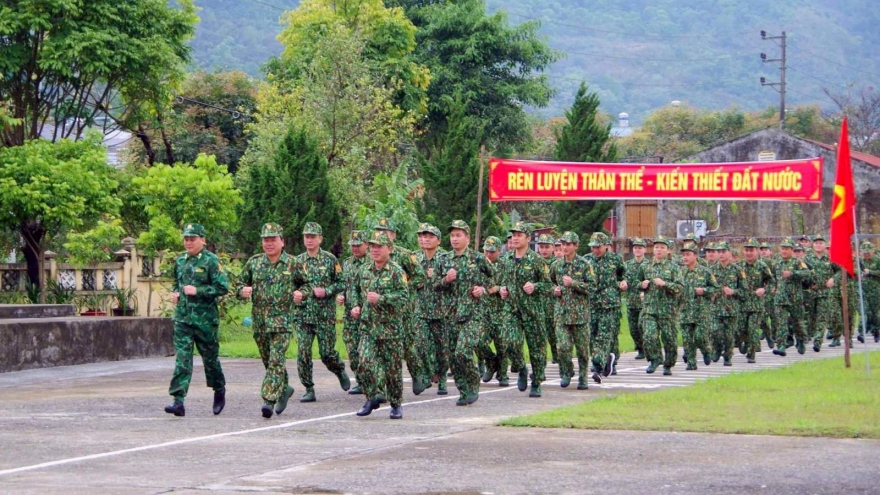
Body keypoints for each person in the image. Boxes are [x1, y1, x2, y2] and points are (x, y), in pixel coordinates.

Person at [236, 223, 310, 418]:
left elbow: (308, 285)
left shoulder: (292, 263)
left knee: (276, 361)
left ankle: (268, 400)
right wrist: (242, 291)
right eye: (265, 240)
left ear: (282, 242)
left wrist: (301, 293)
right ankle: (284, 388)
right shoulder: (254, 263)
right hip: (260, 322)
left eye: (273, 240)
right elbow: (238, 283)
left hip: (282, 322)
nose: (269, 243)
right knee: (268, 360)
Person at [165, 223, 229, 418]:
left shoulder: (211, 261)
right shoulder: (180, 261)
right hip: (183, 319)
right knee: (182, 360)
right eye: (186, 239)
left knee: (210, 360)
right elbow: (176, 282)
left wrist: (199, 291)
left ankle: (219, 389)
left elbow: (222, 287)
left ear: (203, 240)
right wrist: (175, 293)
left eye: (192, 239)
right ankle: (178, 401)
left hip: (205, 321)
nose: (189, 242)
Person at [351, 231, 409, 419]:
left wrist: (382, 299)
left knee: (392, 369)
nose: (375, 250)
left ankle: (396, 404)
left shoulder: (396, 272)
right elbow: (357, 291)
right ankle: (372, 396)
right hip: (368, 326)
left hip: (390, 328)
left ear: (389, 249)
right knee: (364, 362)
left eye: (379, 247)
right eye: (373, 247)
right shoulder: (365, 270)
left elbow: (404, 297)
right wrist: (356, 306)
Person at [373, 218, 431, 394]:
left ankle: (417, 373)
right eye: (378, 231)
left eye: (385, 232)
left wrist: (404, 288)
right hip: (381, 311)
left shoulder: (404, 254)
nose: (381, 235)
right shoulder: (374, 255)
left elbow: (420, 277)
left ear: (393, 235)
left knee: (407, 343)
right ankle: (380, 386)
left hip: (403, 308)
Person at [295, 222, 350, 402]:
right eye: (307, 237)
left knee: (326, 353)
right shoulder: (297, 262)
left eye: (313, 236)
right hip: (303, 315)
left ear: (320, 239)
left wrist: (327, 291)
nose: (309, 240)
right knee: (303, 352)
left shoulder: (330, 260)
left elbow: (342, 282)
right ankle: (309, 388)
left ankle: (339, 369)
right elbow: (290, 284)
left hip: (324, 315)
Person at [441, 220, 492, 405]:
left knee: (463, 351)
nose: (454, 239)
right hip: (451, 314)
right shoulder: (444, 259)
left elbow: (494, 277)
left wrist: (483, 289)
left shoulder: (478, 259)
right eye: (452, 235)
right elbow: (433, 286)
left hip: (473, 314)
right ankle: (463, 390)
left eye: (458, 235)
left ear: (467, 238)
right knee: (454, 356)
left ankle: (473, 383)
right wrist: (445, 280)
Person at [499, 221, 551, 397]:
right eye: (513, 235)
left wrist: (535, 286)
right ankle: (521, 367)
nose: (515, 238)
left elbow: (548, 286)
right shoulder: (505, 259)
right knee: (508, 342)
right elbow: (501, 281)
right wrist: (502, 289)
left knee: (537, 349)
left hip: (532, 311)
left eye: (519, 235)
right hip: (511, 309)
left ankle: (536, 382)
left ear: (528, 238)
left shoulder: (537, 260)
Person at [550, 232, 596, 389]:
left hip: (580, 315)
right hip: (561, 314)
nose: (565, 247)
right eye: (563, 244)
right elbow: (547, 283)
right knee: (562, 347)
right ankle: (566, 371)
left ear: (576, 246)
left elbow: (592, 287)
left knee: (583, 350)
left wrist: (574, 283)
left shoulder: (584, 264)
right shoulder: (556, 265)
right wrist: (554, 289)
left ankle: (583, 377)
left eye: (568, 244)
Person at [415, 223, 453, 394]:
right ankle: (428, 373)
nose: (425, 240)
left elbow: (450, 282)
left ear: (438, 240)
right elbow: (406, 279)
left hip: (442, 310)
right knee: (421, 344)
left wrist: (441, 280)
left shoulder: (445, 258)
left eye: (429, 237)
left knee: (442, 348)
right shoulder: (414, 259)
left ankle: (443, 378)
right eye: (422, 236)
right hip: (420, 310)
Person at [637, 236, 681, 375]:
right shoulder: (646, 266)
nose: (659, 250)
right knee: (649, 336)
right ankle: (655, 359)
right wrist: (642, 285)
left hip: (667, 310)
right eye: (656, 247)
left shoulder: (673, 268)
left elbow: (680, 288)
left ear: (667, 250)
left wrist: (665, 284)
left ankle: (668, 364)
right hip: (650, 309)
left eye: (662, 247)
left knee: (670, 340)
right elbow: (637, 283)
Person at [585, 232, 626, 383]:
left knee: (604, 335)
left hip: (609, 304)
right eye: (593, 247)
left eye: (598, 247)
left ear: (606, 245)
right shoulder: (586, 260)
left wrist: (623, 283)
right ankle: (604, 358)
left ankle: (599, 366)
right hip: (591, 304)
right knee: (592, 336)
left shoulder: (615, 259)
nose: (595, 250)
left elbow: (623, 275)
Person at [337, 230, 370, 395]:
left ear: (367, 245)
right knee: (352, 350)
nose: (355, 249)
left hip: (367, 315)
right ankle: (361, 381)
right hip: (350, 314)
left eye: (359, 245)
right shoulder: (347, 263)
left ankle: (372, 383)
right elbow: (344, 284)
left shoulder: (372, 262)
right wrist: (341, 295)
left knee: (366, 351)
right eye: (353, 246)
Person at [678, 240, 717, 370]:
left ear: (695, 256)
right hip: (685, 311)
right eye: (683, 255)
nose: (685, 257)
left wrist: (704, 291)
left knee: (700, 337)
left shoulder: (705, 272)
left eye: (688, 254)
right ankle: (691, 363)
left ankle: (706, 350)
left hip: (701, 311)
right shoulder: (680, 272)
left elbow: (716, 289)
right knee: (687, 339)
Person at [771, 238, 811, 356]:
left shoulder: (797, 262)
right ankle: (781, 345)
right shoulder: (776, 263)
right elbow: (773, 277)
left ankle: (801, 340)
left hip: (795, 298)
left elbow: (807, 273)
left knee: (797, 322)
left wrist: (793, 274)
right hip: (780, 298)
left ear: (791, 250)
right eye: (782, 248)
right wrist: (774, 287)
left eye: (787, 249)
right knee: (781, 322)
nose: (784, 251)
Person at [478, 236, 509, 387]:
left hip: (500, 311)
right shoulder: (479, 264)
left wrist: (498, 288)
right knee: (478, 341)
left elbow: (509, 283)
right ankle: (491, 362)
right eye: (486, 251)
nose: (488, 254)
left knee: (502, 345)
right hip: (483, 311)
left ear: (498, 251)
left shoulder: (504, 265)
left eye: (492, 251)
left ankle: (503, 374)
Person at [738, 238, 774, 363]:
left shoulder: (762, 266)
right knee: (741, 329)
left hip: (756, 305)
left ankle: (751, 354)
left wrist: (764, 289)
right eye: (746, 250)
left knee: (753, 330)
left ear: (757, 251)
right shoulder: (739, 266)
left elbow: (771, 282)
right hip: (741, 305)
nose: (748, 253)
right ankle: (744, 343)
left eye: (751, 250)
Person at [710, 241, 745, 366]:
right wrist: (711, 294)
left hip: (731, 309)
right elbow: (707, 286)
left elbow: (745, 291)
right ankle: (717, 349)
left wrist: (733, 291)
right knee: (715, 331)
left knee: (729, 336)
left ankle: (727, 357)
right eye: (718, 252)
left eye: (723, 251)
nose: (721, 254)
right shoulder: (712, 270)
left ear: (729, 253)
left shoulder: (737, 270)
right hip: (716, 308)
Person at [804, 234, 834, 351]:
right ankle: (808, 335)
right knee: (810, 317)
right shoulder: (807, 259)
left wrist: (833, 279)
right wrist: (809, 282)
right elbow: (803, 273)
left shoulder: (830, 259)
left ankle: (818, 341)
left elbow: (839, 271)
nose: (818, 245)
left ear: (825, 245)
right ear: (812, 245)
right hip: (811, 293)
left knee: (822, 317)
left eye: (820, 243)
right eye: (816, 243)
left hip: (825, 293)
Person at [623, 237, 649, 359]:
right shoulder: (627, 265)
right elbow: (622, 280)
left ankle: (648, 348)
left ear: (644, 249)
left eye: (640, 247)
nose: (637, 250)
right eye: (635, 248)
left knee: (642, 326)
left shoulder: (649, 265)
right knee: (633, 329)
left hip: (645, 303)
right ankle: (640, 348)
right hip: (631, 301)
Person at [535, 233, 559, 365]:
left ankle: (557, 356)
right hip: (538, 305)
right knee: (539, 338)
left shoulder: (557, 264)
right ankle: (540, 364)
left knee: (554, 335)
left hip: (554, 305)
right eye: (541, 247)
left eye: (546, 247)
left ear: (553, 248)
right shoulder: (535, 262)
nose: (544, 250)